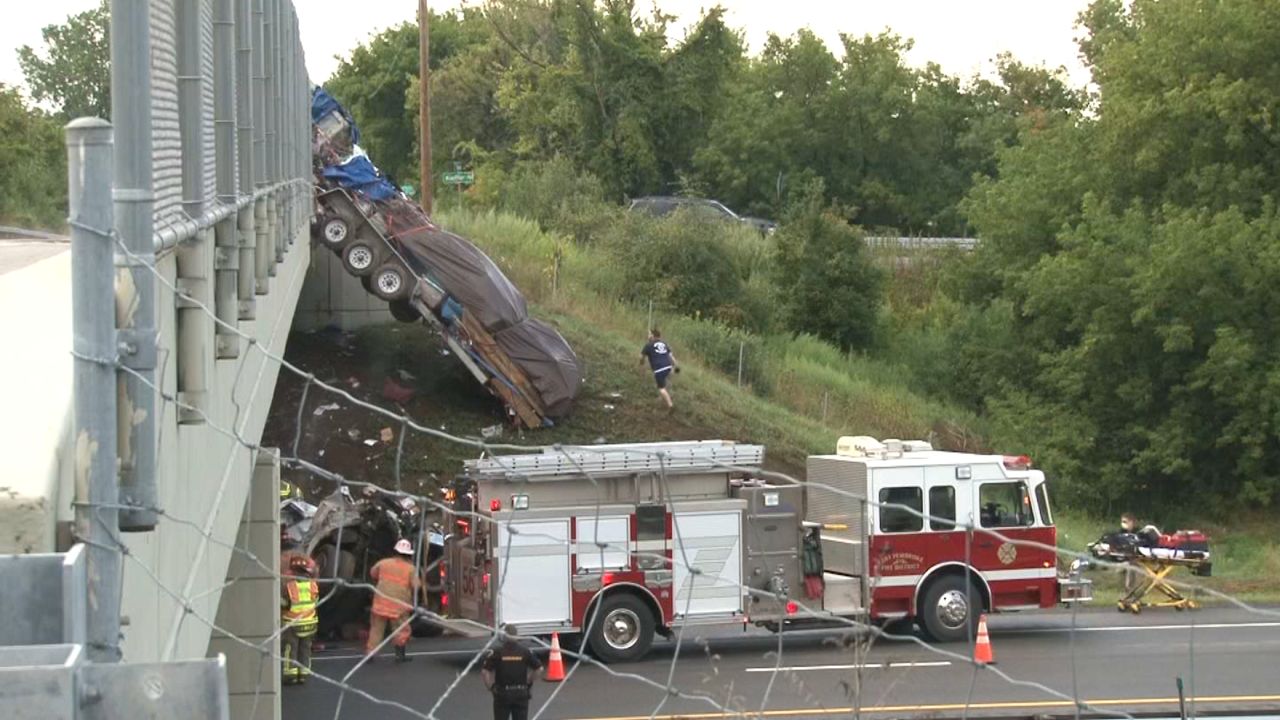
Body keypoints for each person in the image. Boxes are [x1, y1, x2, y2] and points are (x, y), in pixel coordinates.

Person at [366, 538, 422, 663]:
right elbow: (416, 586)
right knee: (401, 629)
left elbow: (373, 574)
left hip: (380, 601)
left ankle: (370, 654)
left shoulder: (383, 563)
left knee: (376, 629)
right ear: (408, 554)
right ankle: (399, 655)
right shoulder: (410, 569)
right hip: (399, 605)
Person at [481, 624, 543, 720]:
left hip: (502, 693)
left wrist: (491, 687)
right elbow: (539, 669)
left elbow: (485, 672)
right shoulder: (525, 651)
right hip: (521, 693)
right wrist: (529, 681)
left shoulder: (497, 652)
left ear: (505, 635)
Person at [281, 555, 319, 684]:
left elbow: (284, 603)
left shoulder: (289, 586)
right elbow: (315, 601)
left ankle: (290, 674)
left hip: (292, 623)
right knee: (305, 648)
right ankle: (303, 673)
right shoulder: (313, 585)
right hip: (310, 622)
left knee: (290, 648)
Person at [640, 328, 680, 409]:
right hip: (669, 367)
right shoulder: (664, 343)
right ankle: (665, 398)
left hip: (659, 369)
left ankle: (670, 405)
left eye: (649, 334)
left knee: (661, 388)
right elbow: (671, 356)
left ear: (653, 336)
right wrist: (676, 365)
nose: (648, 336)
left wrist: (641, 363)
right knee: (666, 382)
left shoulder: (648, 345)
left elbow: (641, 357)